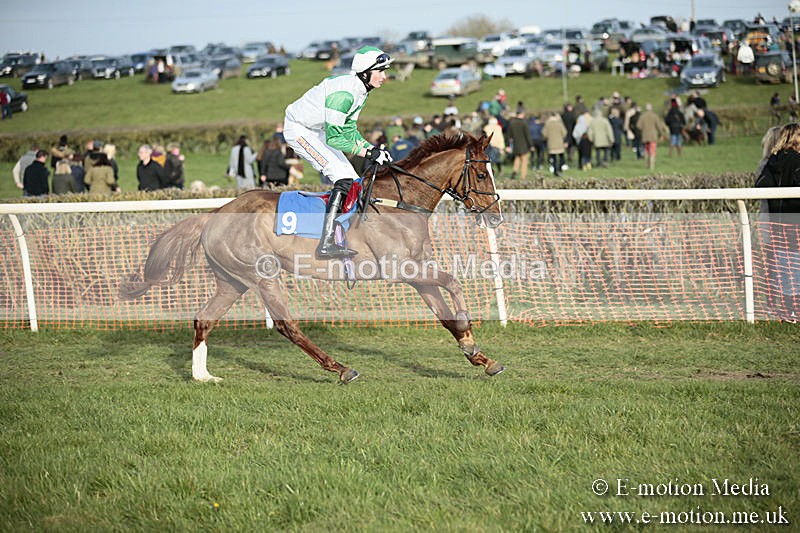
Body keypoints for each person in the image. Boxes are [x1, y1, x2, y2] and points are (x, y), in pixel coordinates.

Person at [283, 46, 394, 258]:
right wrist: (368, 154)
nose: (384, 76)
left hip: (316, 130)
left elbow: (349, 131)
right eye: (380, 71)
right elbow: (334, 138)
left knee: (353, 180)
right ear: (365, 72)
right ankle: (325, 242)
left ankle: (345, 234)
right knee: (343, 178)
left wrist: (372, 149)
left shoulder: (361, 91)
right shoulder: (345, 94)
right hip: (299, 130)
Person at [755, 123, 800, 321]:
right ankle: (793, 311)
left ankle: (786, 310)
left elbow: (760, 186)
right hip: (796, 225)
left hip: (778, 226)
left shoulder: (771, 162)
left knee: (783, 268)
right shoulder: (797, 161)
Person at [636, 103, 668, 170]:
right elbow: (659, 127)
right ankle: (651, 166)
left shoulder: (642, 116)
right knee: (652, 151)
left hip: (645, 135)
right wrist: (662, 134)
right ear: (651, 108)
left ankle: (647, 165)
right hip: (653, 136)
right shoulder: (655, 116)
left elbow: (638, 126)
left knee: (646, 150)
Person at [507, 110, 533, 180]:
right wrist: (531, 145)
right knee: (524, 161)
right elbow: (527, 135)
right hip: (524, 145)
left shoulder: (512, 123)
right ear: (521, 114)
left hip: (516, 145)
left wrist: (508, 145)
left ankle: (514, 171)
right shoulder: (524, 123)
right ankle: (523, 176)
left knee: (517, 158)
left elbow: (509, 135)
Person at [542, 112, 568, 176]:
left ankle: (555, 171)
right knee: (561, 157)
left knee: (553, 158)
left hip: (551, 143)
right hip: (559, 143)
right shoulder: (559, 124)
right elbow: (564, 133)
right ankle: (560, 169)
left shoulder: (547, 124)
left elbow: (544, 134)